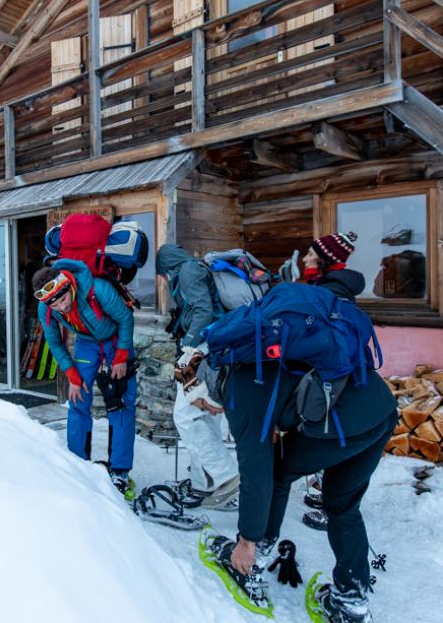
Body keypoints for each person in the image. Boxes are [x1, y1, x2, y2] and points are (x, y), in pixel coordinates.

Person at [195, 232, 398, 623]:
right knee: (341, 505)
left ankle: (252, 561)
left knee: (278, 470)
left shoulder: (240, 390)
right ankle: (351, 602)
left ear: (214, 384)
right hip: (381, 408)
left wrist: (246, 540)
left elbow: (256, 473)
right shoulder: (273, 345)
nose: (206, 407)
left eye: (203, 402)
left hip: (346, 424)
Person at [32, 260, 137, 495]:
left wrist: (121, 357)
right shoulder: (46, 308)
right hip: (86, 345)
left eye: (62, 300)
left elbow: (126, 319)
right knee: (77, 400)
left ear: (68, 286)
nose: (61, 308)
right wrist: (72, 375)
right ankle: (77, 463)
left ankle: (119, 471)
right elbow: (54, 342)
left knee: (121, 403)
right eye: (54, 304)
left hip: (115, 341)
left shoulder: (97, 289)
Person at [155, 244, 239, 507]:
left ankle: (228, 476)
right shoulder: (190, 269)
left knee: (185, 415)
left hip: (202, 348)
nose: (163, 279)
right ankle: (204, 484)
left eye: (162, 273)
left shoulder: (189, 271)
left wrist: (189, 346)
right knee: (203, 417)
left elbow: (203, 310)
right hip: (210, 345)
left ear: (167, 265)